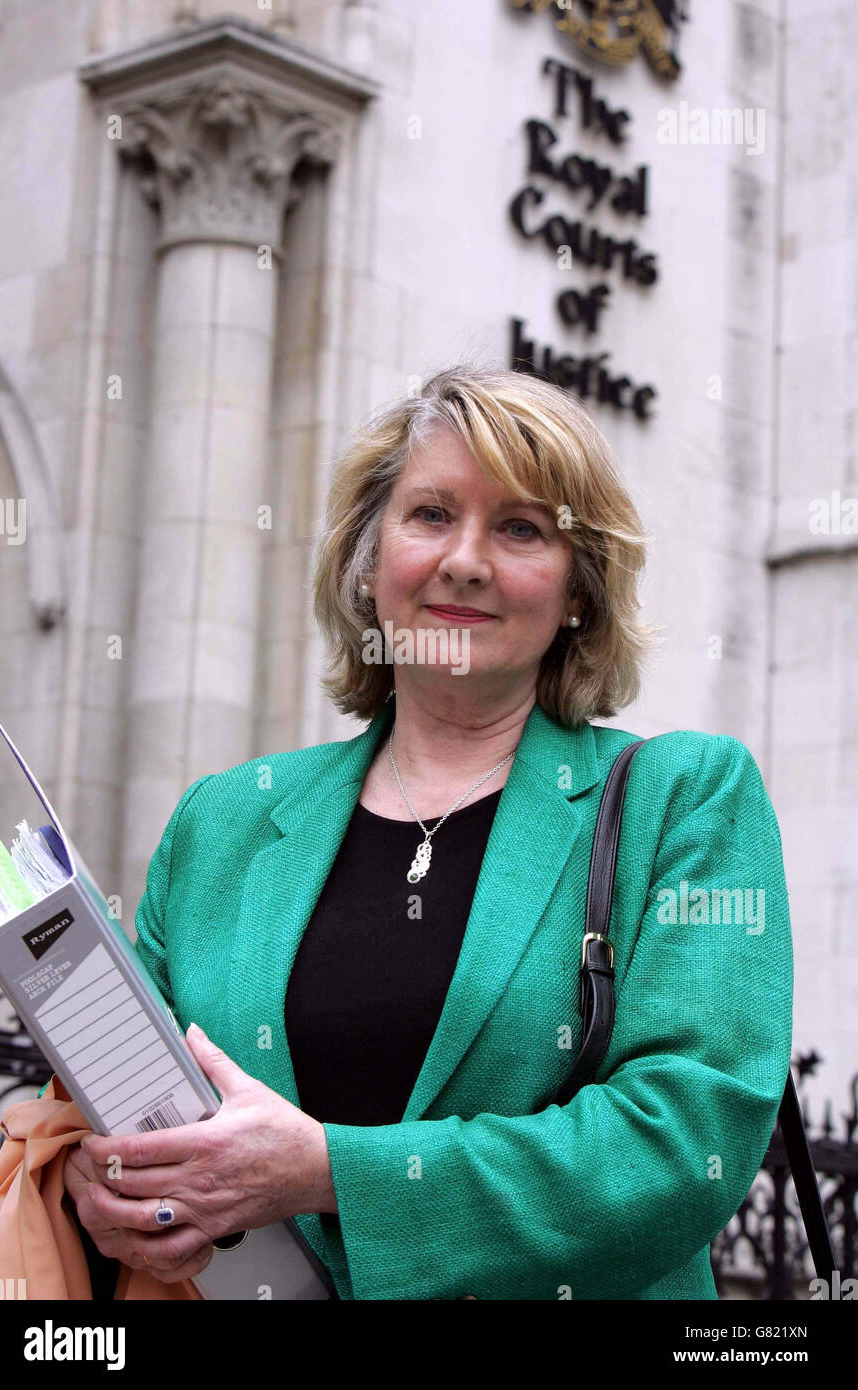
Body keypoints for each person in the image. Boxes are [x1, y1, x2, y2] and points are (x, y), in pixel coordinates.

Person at [64, 364, 793, 1300]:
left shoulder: (684, 797)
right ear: (369, 565)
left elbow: (687, 1139)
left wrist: (329, 1172)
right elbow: (126, 1103)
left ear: (579, 591)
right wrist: (101, 1183)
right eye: (432, 515)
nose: (466, 560)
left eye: (522, 528)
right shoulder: (224, 822)